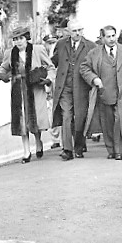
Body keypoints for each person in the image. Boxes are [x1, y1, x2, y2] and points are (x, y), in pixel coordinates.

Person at [0, 25, 55, 164]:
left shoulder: (38, 50)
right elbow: (3, 67)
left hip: (35, 89)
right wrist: (1, 75)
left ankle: (38, 142)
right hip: (18, 90)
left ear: (26, 38)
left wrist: (47, 79)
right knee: (22, 120)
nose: (18, 42)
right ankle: (26, 151)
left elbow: (50, 67)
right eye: (15, 39)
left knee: (35, 119)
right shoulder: (10, 53)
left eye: (21, 38)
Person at [80, 25, 122, 160]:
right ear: (102, 38)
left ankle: (119, 151)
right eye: (108, 36)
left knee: (120, 121)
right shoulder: (95, 53)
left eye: (113, 36)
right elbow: (84, 68)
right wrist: (94, 79)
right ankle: (111, 149)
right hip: (104, 92)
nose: (112, 39)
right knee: (107, 122)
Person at [50, 19, 97, 161]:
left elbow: (94, 66)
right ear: (68, 32)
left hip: (82, 87)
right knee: (66, 116)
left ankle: (79, 145)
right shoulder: (61, 44)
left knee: (80, 118)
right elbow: (53, 62)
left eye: (80, 30)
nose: (77, 33)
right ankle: (67, 149)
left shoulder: (90, 46)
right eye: (74, 31)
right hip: (64, 87)